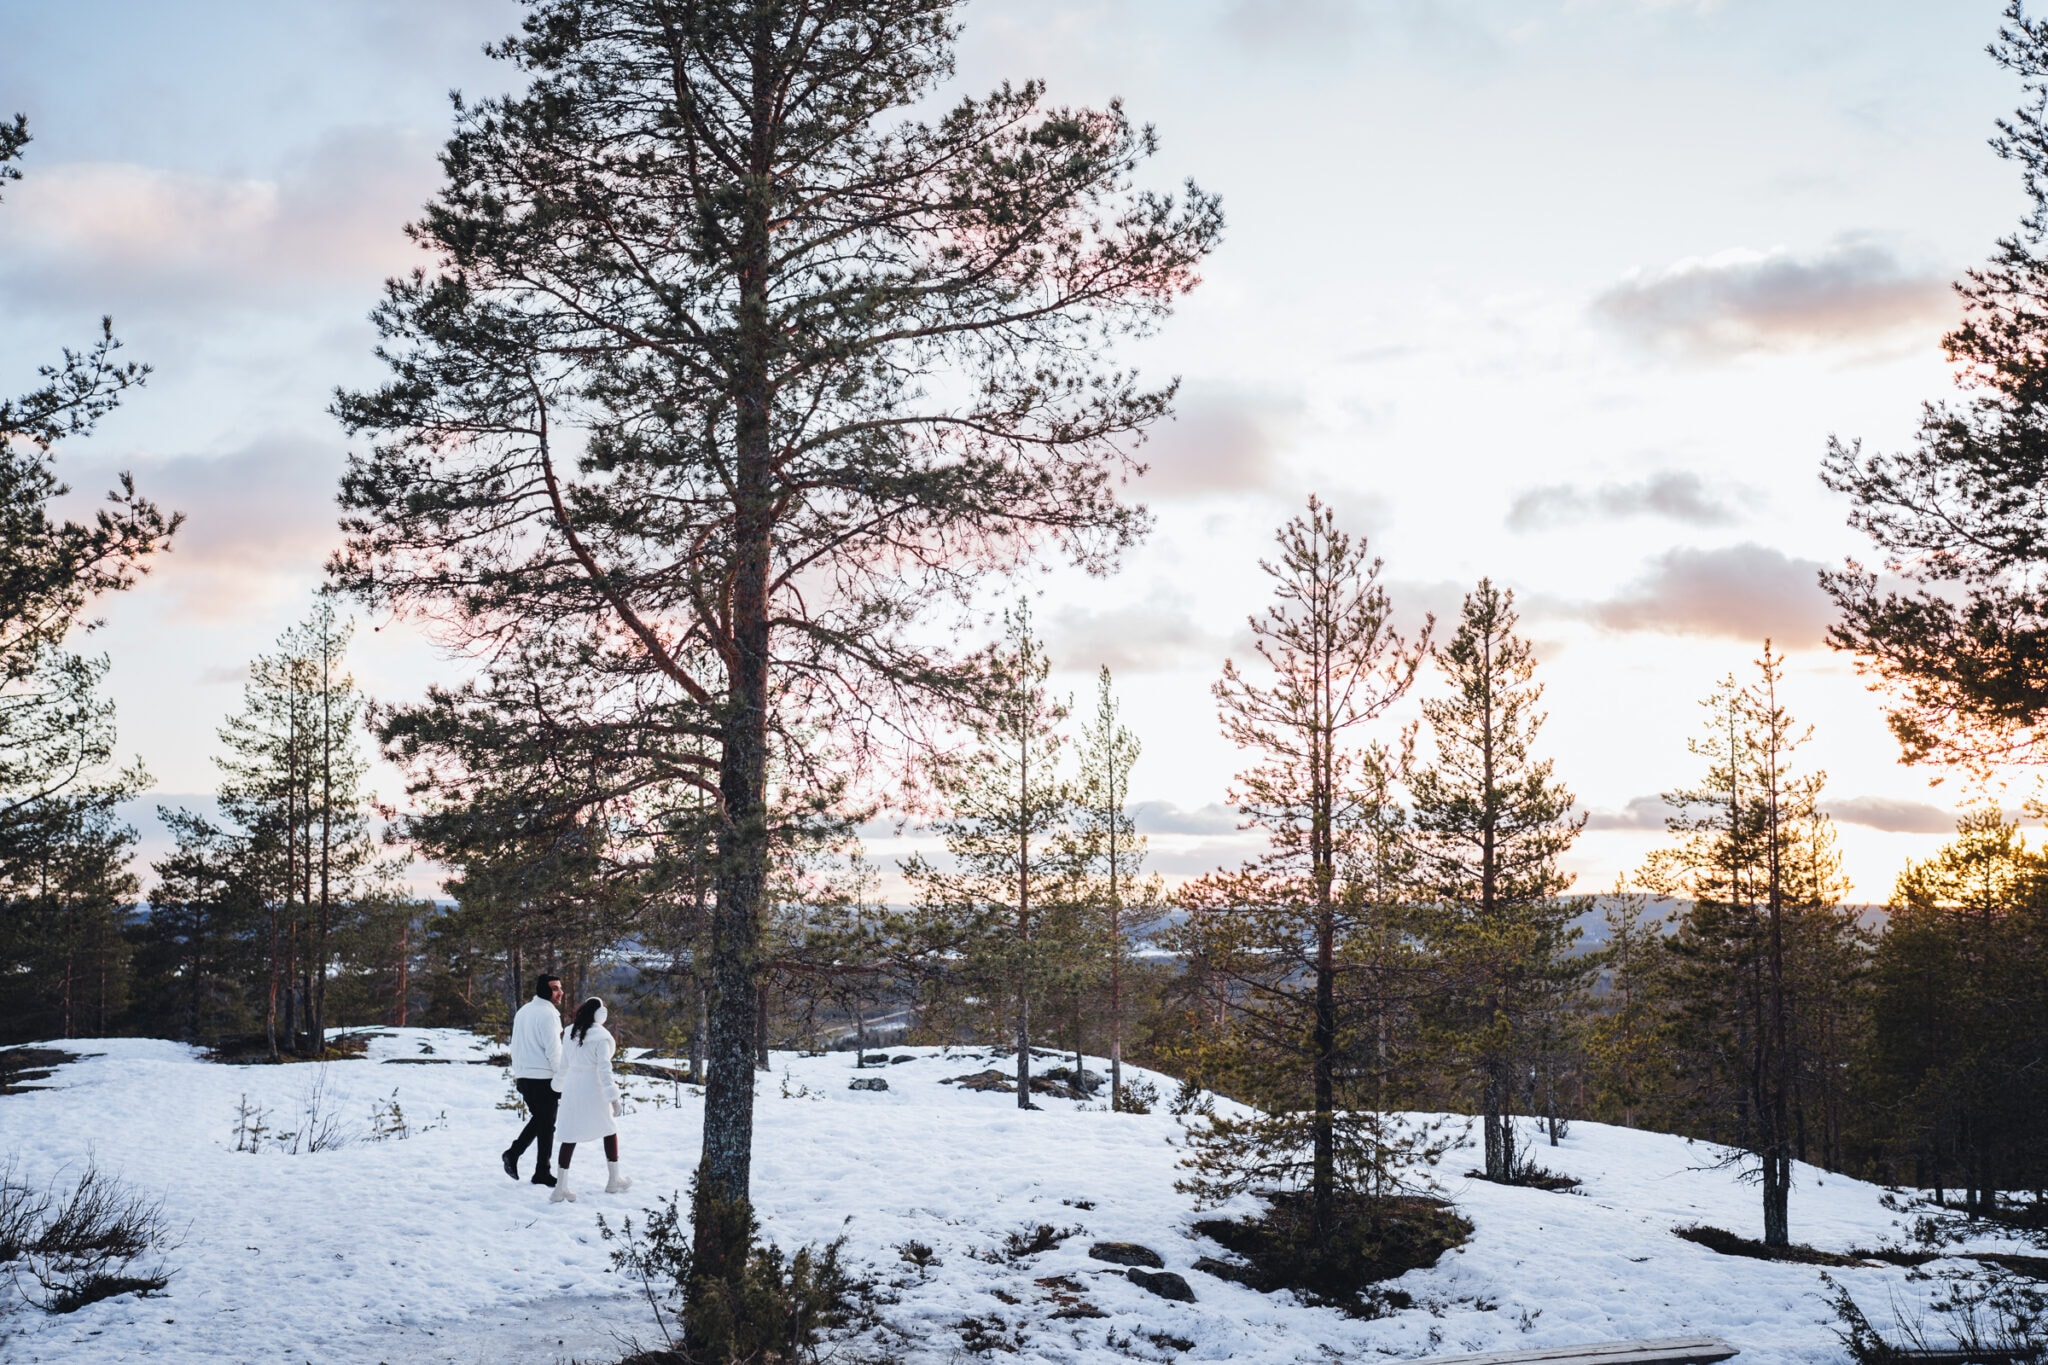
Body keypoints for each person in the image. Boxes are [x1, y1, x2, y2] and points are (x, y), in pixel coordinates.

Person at [549, 995, 631, 1203]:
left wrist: (557, 1086)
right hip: (593, 1088)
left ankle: (560, 1188)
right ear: (599, 1015)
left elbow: (564, 1064)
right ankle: (614, 1179)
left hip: (572, 1088)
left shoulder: (569, 1032)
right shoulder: (601, 1037)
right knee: (609, 1129)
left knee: (569, 1134)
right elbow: (605, 1069)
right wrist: (613, 1098)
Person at [502, 974, 564, 1187]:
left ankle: (539, 1170)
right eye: (555, 988)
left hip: (524, 1076)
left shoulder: (524, 1011)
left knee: (544, 1123)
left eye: (560, 988)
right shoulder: (548, 1015)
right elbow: (554, 1050)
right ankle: (517, 1155)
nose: (560, 992)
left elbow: (516, 1043)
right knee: (545, 1122)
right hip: (543, 1077)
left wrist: (518, 1071)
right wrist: (562, 1077)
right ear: (544, 990)